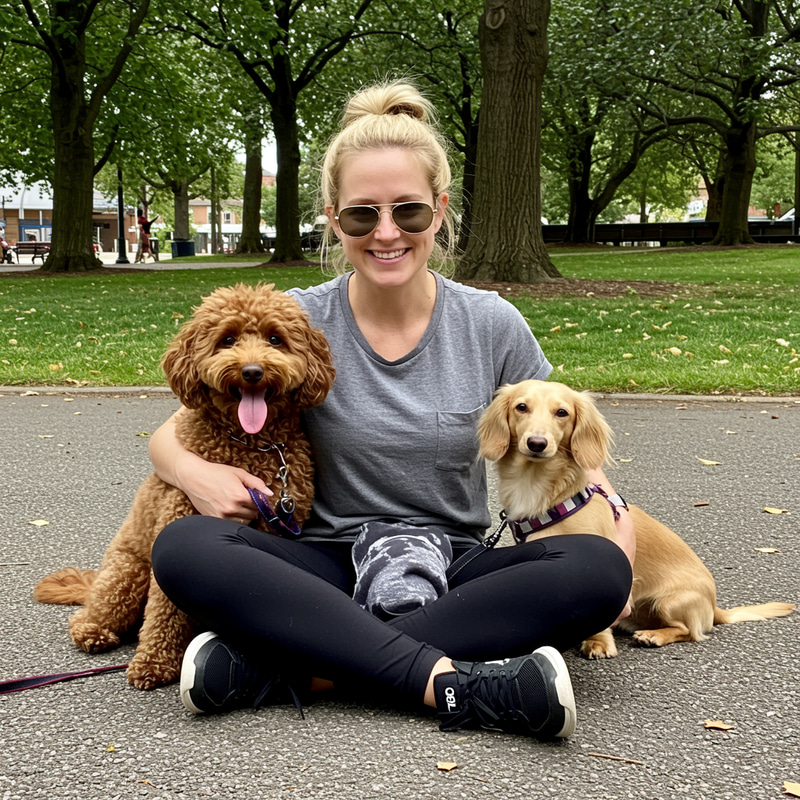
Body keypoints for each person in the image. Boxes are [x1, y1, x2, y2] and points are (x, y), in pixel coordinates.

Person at [149, 81, 634, 739]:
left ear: (438, 211)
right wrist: (193, 473)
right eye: (361, 215)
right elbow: (172, 434)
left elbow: (565, 432)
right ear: (333, 218)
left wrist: (615, 515)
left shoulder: (492, 323)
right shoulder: (295, 319)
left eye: (408, 212)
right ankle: (463, 687)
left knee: (599, 569)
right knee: (185, 546)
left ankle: (295, 669)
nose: (386, 233)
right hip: (326, 563)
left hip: (453, 564)